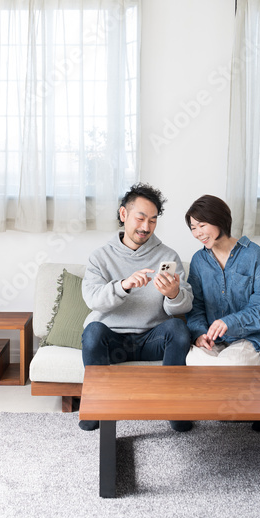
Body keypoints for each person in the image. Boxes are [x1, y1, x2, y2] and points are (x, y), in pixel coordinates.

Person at [79, 183, 193, 432]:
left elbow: (184, 306)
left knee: (178, 328)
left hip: (152, 340)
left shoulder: (168, 256)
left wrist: (173, 294)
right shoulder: (100, 257)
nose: (146, 227)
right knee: (92, 331)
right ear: (123, 214)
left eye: (152, 220)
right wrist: (123, 286)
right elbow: (93, 299)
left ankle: (175, 408)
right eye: (140, 218)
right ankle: (96, 407)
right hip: (112, 342)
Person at [184, 195, 260, 369]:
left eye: (202, 225)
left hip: (254, 337)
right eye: (193, 228)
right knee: (193, 359)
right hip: (215, 340)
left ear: (219, 220)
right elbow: (196, 305)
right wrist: (200, 334)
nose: (197, 233)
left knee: (234, 362)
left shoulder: (253, 254)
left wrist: (230, 322)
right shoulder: (199, 261)